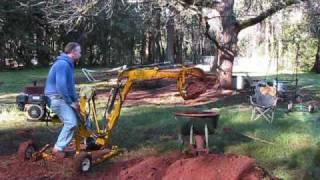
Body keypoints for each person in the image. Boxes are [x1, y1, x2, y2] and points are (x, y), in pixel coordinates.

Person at [44, 42, 81, 158]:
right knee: (71, 122)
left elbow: (69, 87)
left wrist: (75, 101)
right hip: (56, 99)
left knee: (83, 117)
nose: (80, 54)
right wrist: (70, 103)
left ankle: (89, 142)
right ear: (73, 52)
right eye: (79, 51)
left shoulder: (67, 64)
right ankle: (58, 148)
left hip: (62, 98)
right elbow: (61, 87)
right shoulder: (63, 64)